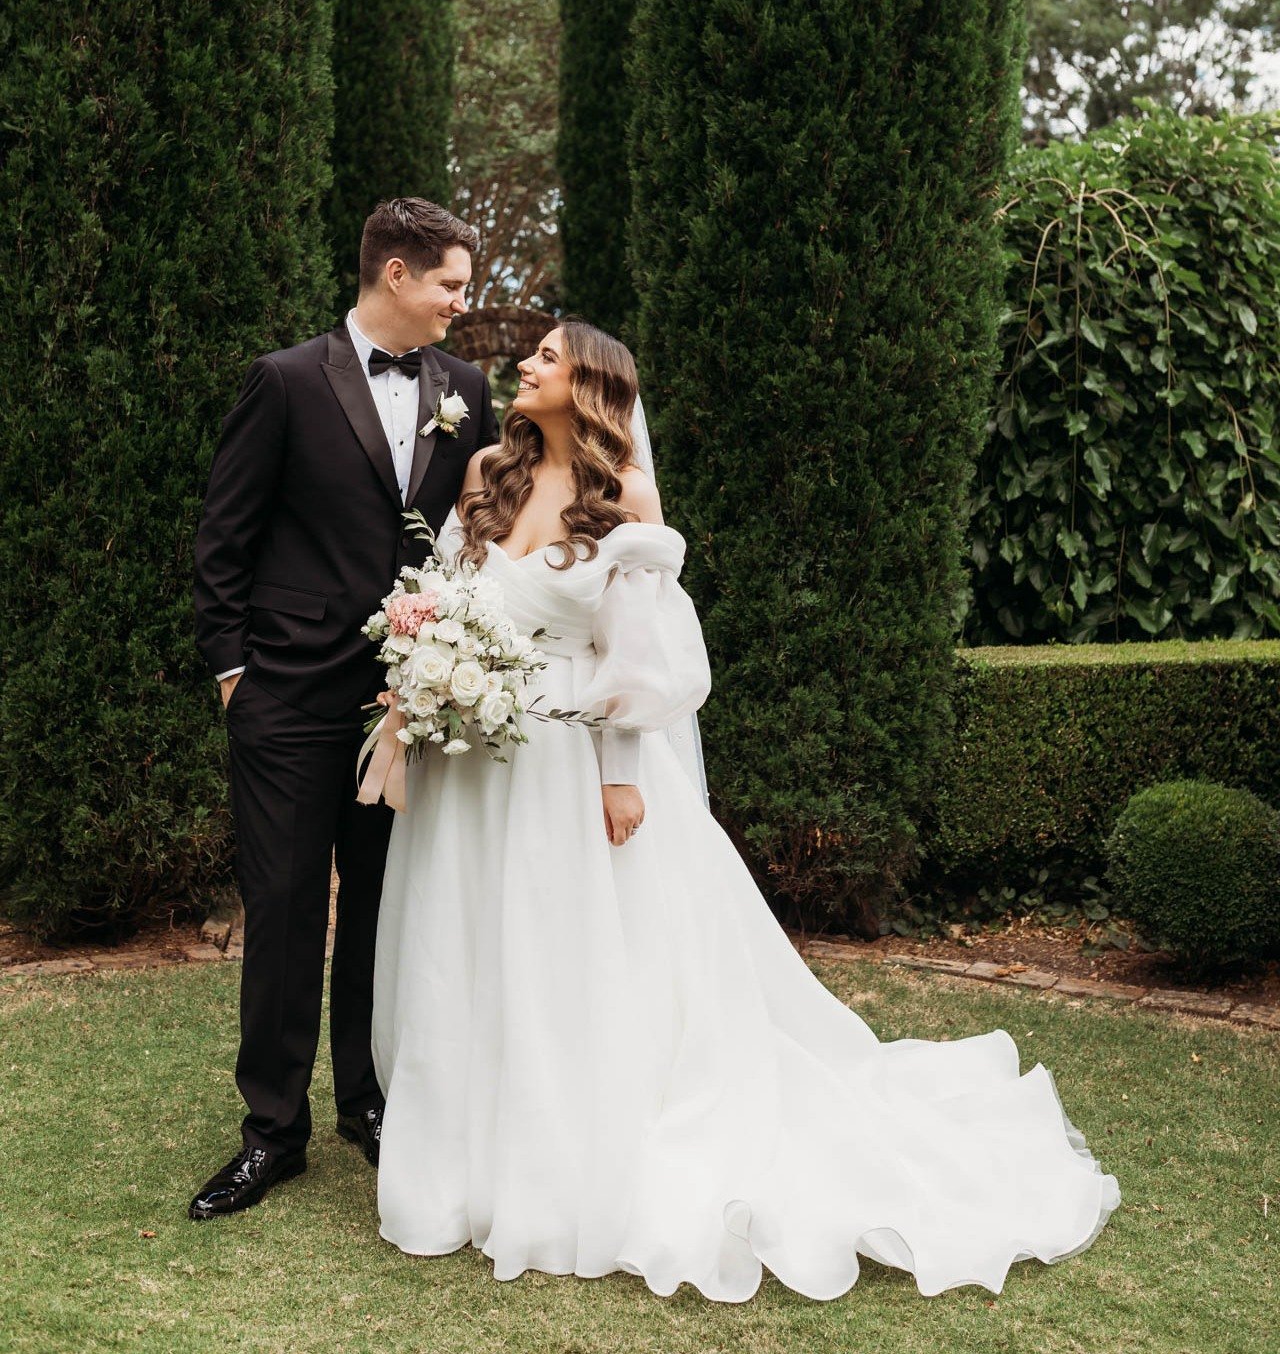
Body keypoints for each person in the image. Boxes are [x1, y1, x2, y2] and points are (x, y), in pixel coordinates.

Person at [370, 320, 1121, 1302]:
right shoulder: (486, 473)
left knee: (556, 950)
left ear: (591, 385)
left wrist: (620, 771)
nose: (527, 364)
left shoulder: (623, 500)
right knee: (468, 943)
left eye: (548, 356)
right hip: (476, 759)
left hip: (561, 757)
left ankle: (553, 1162)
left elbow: (637, 653)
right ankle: (454, 1163)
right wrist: (430, 657)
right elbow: (458, 593)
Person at [189, 198, 499, 1220]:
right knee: (282, 912)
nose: (463, 302)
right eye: (451, 283)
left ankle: (365, 1106)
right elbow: (222, 537)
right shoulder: (283, 381)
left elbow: (481, 530)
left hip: (405, 702)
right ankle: (271, 1132)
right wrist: (235, 673)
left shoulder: (466, 390)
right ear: (396, 274)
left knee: (380, 908)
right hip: (283, 696)